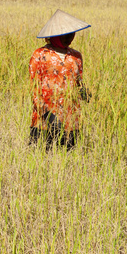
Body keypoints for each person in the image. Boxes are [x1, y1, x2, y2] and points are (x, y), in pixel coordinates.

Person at [29, 9, 90, 150]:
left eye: (71, 34)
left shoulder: (76, 56)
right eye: (65, 35)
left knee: (68, 155)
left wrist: (84, 92)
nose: (69, 37)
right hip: (44, 118)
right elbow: (34, 88)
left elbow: (79, 82)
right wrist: (47, 114)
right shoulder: (39, 55)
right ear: (54, 35)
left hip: (70, 117)